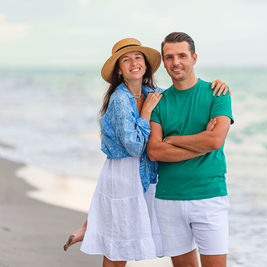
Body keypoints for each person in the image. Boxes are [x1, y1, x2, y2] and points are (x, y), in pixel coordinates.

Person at [63, 37, 230, 267]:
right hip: (124, 176)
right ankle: (89, 227)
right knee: (118, 245)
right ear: (119, 70)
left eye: (138, 57)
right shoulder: (121, 99)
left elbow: (180, 94)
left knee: (127, 234)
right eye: (126, 59)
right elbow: (136, 146)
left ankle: (89, 226)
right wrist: (146, 115)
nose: (134, 63)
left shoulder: (152, 92)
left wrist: (217, 84)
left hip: (147, 176)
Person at [147, 32, 234, 267]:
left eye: (182, 56)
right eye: (169, 57)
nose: (176, 62)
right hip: (168, 199)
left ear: (194, 58)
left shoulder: (217, 93)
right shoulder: (158, 101)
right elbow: (154, 151)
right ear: (164, 62)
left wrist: (172, 140)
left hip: (209, 196)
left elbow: (215, 140)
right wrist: (201, 141)